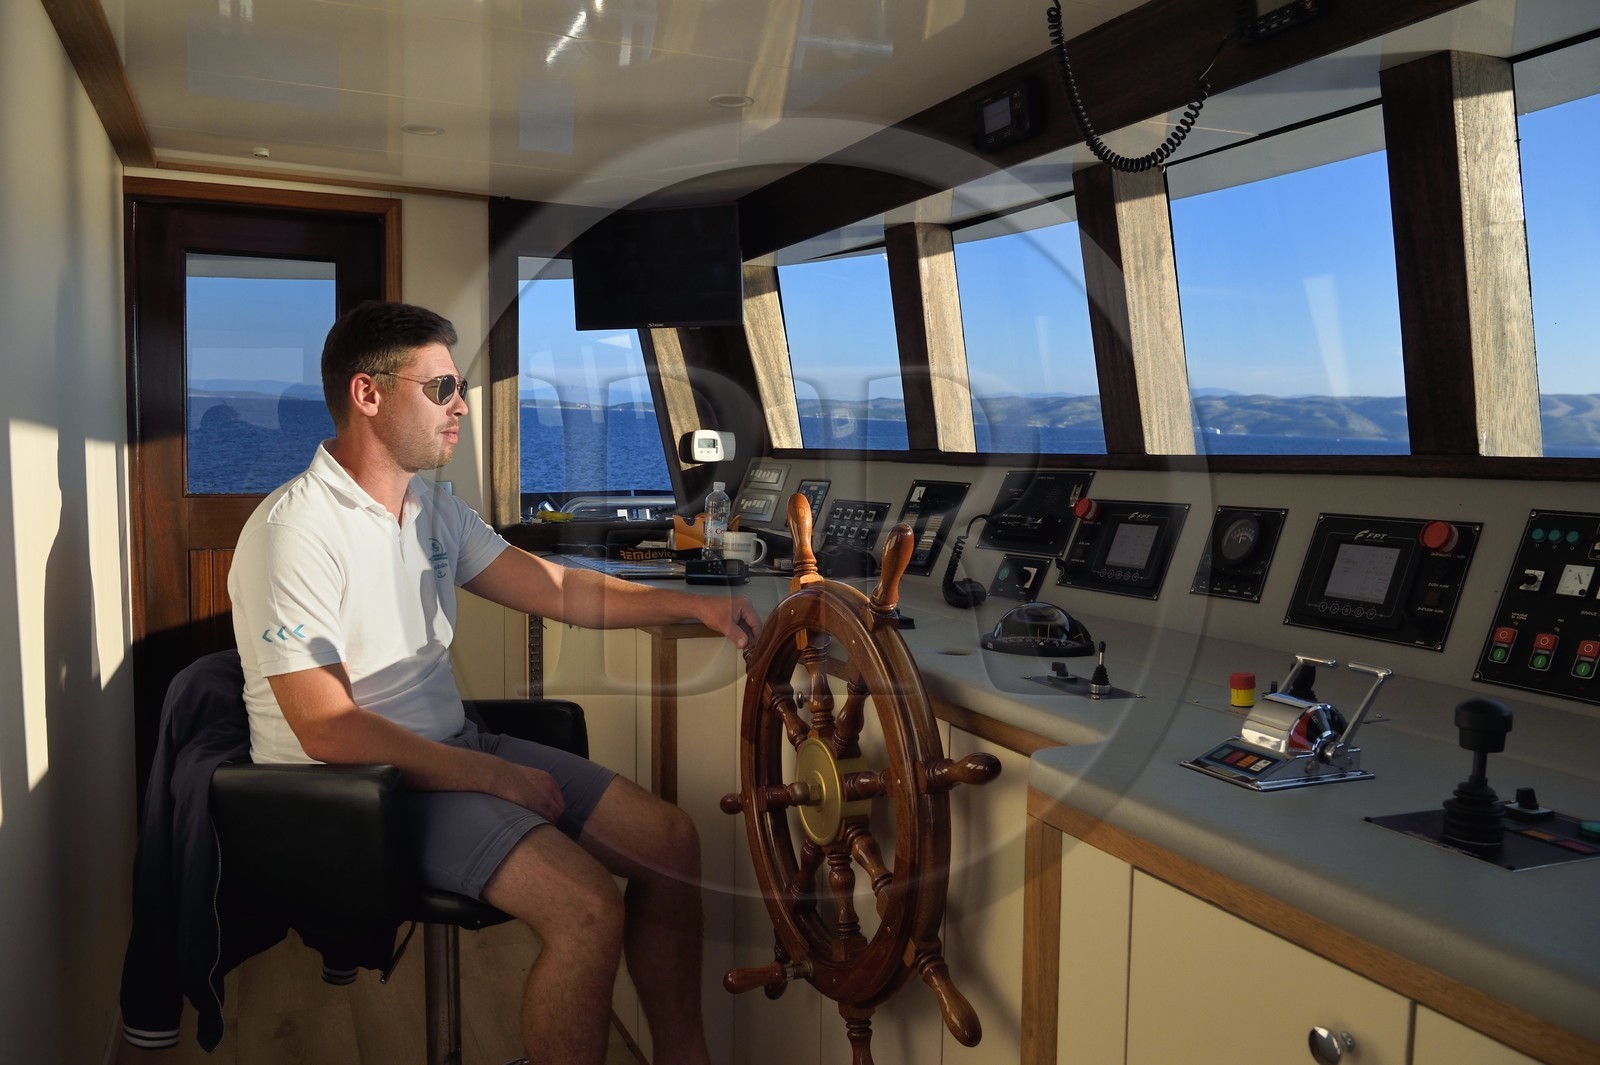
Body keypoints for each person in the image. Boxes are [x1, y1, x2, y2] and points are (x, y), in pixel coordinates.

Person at [228, 300, 761, 1065]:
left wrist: (694, 605)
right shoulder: (294, 530)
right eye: (440, 388)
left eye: (461, 386)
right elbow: (328, 727)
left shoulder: (430, 508)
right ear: (367, 394)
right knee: (584, 908)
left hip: (446, 748)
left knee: (670, 843)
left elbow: (556, 587)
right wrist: (495, 775)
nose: (462, 407)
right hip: (357, 791)